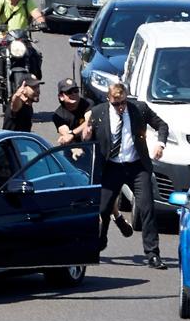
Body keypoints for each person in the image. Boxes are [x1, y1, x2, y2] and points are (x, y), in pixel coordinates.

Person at [82, 82, 169, 269]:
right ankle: (98, 242)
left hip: (137, 165)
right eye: (115, 104)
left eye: (122, 102)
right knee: (102, 208)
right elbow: (87, 139)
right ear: (108, 100)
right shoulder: (98, 113)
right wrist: (87, 135)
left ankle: (153, 254)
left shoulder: (139, 109)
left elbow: (162, 125)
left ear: (126, 98)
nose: (120, 107)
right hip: (112, 166)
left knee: (147, 208)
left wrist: (160, 144)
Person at [53, 78, 132, 239]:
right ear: (61, 96)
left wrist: (72, 135)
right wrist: (74, 147)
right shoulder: (58, 115)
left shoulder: (87, 103)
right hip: (74, 157)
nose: (74, 94)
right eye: (69, 92)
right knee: (81, 193)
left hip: (96, 153)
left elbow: (90, 121)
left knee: (102, 191)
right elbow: (63, 133)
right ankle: (116, 218)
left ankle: (112, 220)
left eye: (75, 90)